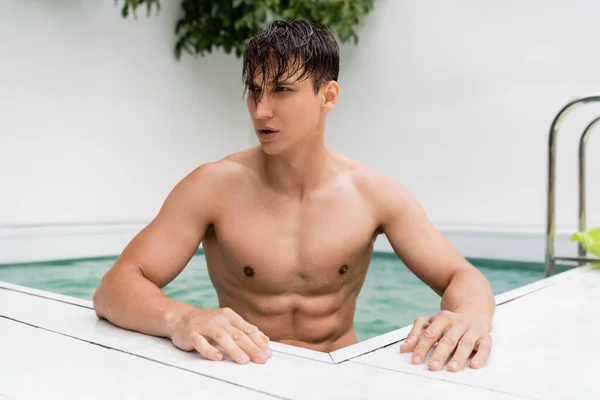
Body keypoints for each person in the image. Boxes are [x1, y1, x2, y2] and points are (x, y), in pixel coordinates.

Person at [93, 19, 495, 372]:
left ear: (328, 96)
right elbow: (114, 287)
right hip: (247, 375)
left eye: (282, 90)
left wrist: (470, 316)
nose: (261, 110)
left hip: (341, 375)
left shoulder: (373, 193)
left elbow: (461, 275)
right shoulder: (212, 186)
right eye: (254, 90)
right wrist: (182, 318)